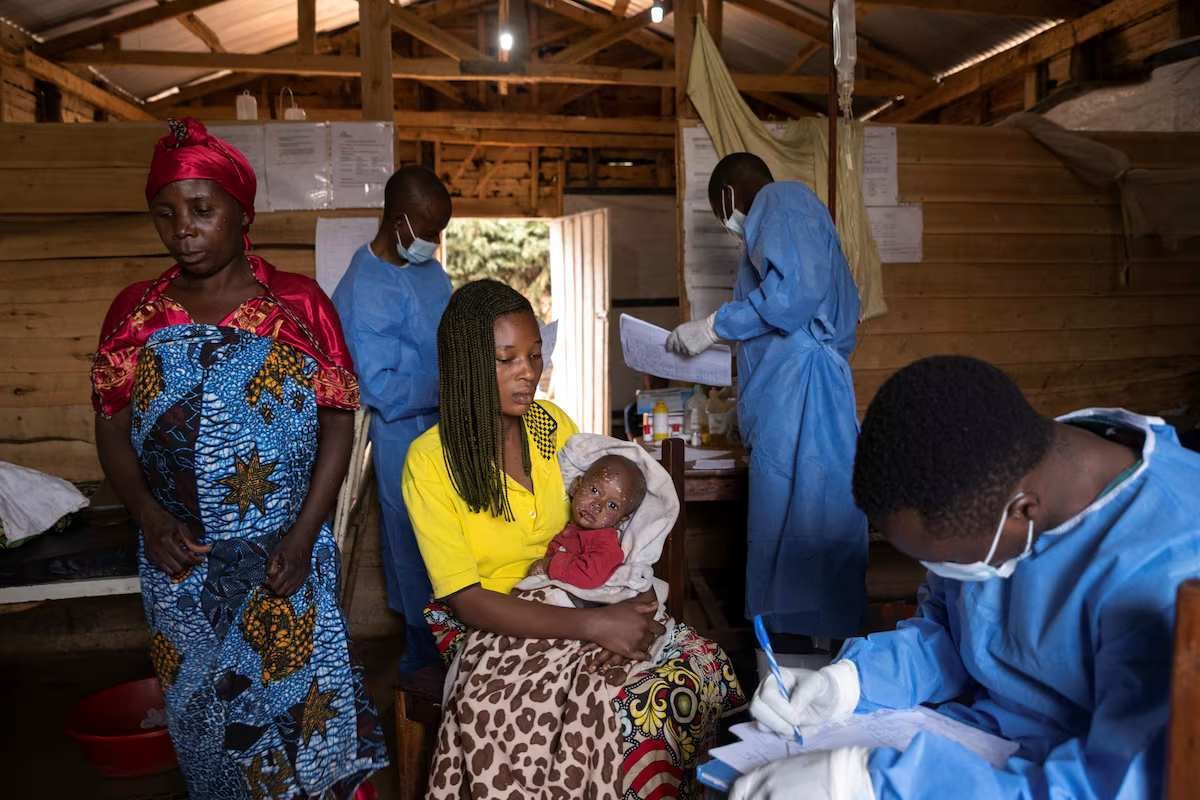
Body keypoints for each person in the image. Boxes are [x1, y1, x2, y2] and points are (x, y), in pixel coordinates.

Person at [733, 355, 1199, 800]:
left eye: (947, 563)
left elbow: (1117, 787)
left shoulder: (1168, 569)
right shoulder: (997, 466)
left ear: (1022, 512)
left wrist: (876, 784)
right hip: (976, 743)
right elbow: (955, 635)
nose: (944, 577)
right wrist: (851, 683)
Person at [91, 118, 387, 798]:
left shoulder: (296, 305)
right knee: (208, 730)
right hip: (181, 566)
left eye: (202, 210)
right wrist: (148, 516)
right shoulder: (138, 313)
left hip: (284, 557)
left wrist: (306, 530)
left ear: (242, 211)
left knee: (305, 719)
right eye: (165, 214)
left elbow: (338, 419)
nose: (183, 229)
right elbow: (110, 424)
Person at [402, 279, 745, 798]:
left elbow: (615, 528)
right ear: (467, 364)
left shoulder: (553, 429)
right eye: (507, 359)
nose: (528, 372)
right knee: (609, 713)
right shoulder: (430, 462)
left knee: (696, 670)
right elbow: (466, 600)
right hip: (493, 620)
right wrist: (594, 625)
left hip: (587, 594)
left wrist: (633, 603)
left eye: (535, 355)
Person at [665, 152, 866, 639]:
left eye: (723, 214)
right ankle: (782, 648)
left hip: (804, 397)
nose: (732, 227)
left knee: (809, 523)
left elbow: (793, 297)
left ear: (730, 197)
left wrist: (716, 324)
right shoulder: (789, 216)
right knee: (787, 528)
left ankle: (812, 656)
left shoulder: (783, 199)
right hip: (790, 397)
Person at [331, 165, 453, 673]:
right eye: (426, 232)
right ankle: (424, 658)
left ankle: (465, 650)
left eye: (438, 233)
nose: (433, 242)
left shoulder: (428, 269)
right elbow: (377, 387)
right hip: (403, 437)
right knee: (415, 545)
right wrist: (452, 387)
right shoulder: (363, 288)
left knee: (458, 538)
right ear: (399, 223)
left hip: (451, 426)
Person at [526, 452, 647, 590]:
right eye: (595, 491)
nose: (597, 505)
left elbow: (589, 575)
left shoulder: (605, 543)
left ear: (621, 520)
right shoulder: (572, 527)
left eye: (612, 505)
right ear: (575, 487)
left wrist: (547, 565)